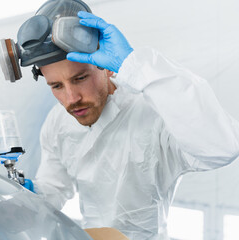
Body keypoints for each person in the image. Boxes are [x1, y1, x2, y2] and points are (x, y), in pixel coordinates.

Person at [28, 10, 239, 240]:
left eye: (80, 78)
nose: (71, 99)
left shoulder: (153, 113)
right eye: (56, 86)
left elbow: (221, 148)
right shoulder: (58, 121)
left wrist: (133, 64)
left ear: (106, 66)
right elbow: (54, 187)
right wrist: (30, 197)